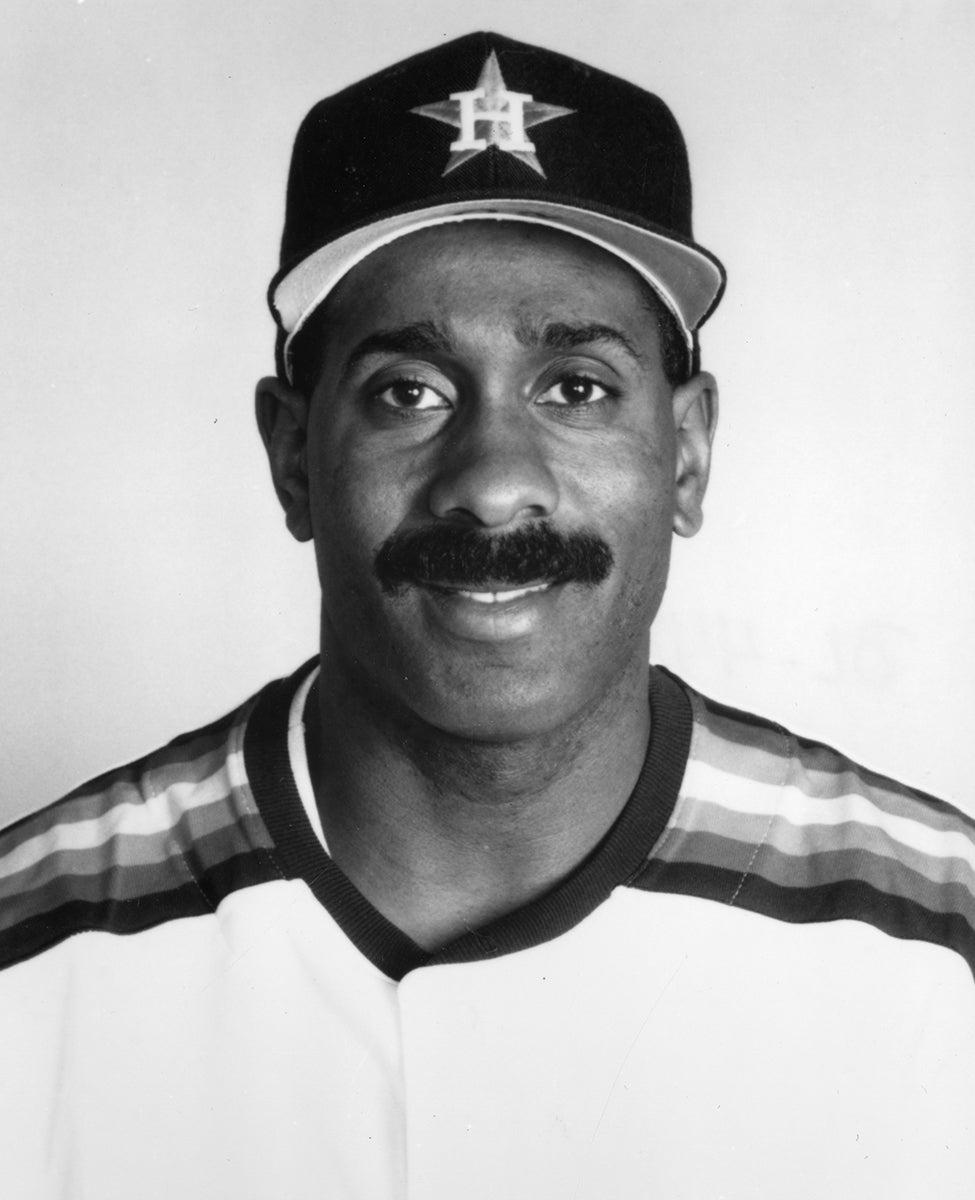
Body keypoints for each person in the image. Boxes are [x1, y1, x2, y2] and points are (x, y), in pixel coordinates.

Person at [1, 30, 972, 1199]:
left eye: (578, 389)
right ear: (292, 458)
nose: (494, 478)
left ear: (689, 454)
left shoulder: (936, 949)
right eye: (407, 392)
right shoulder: (34, 953)